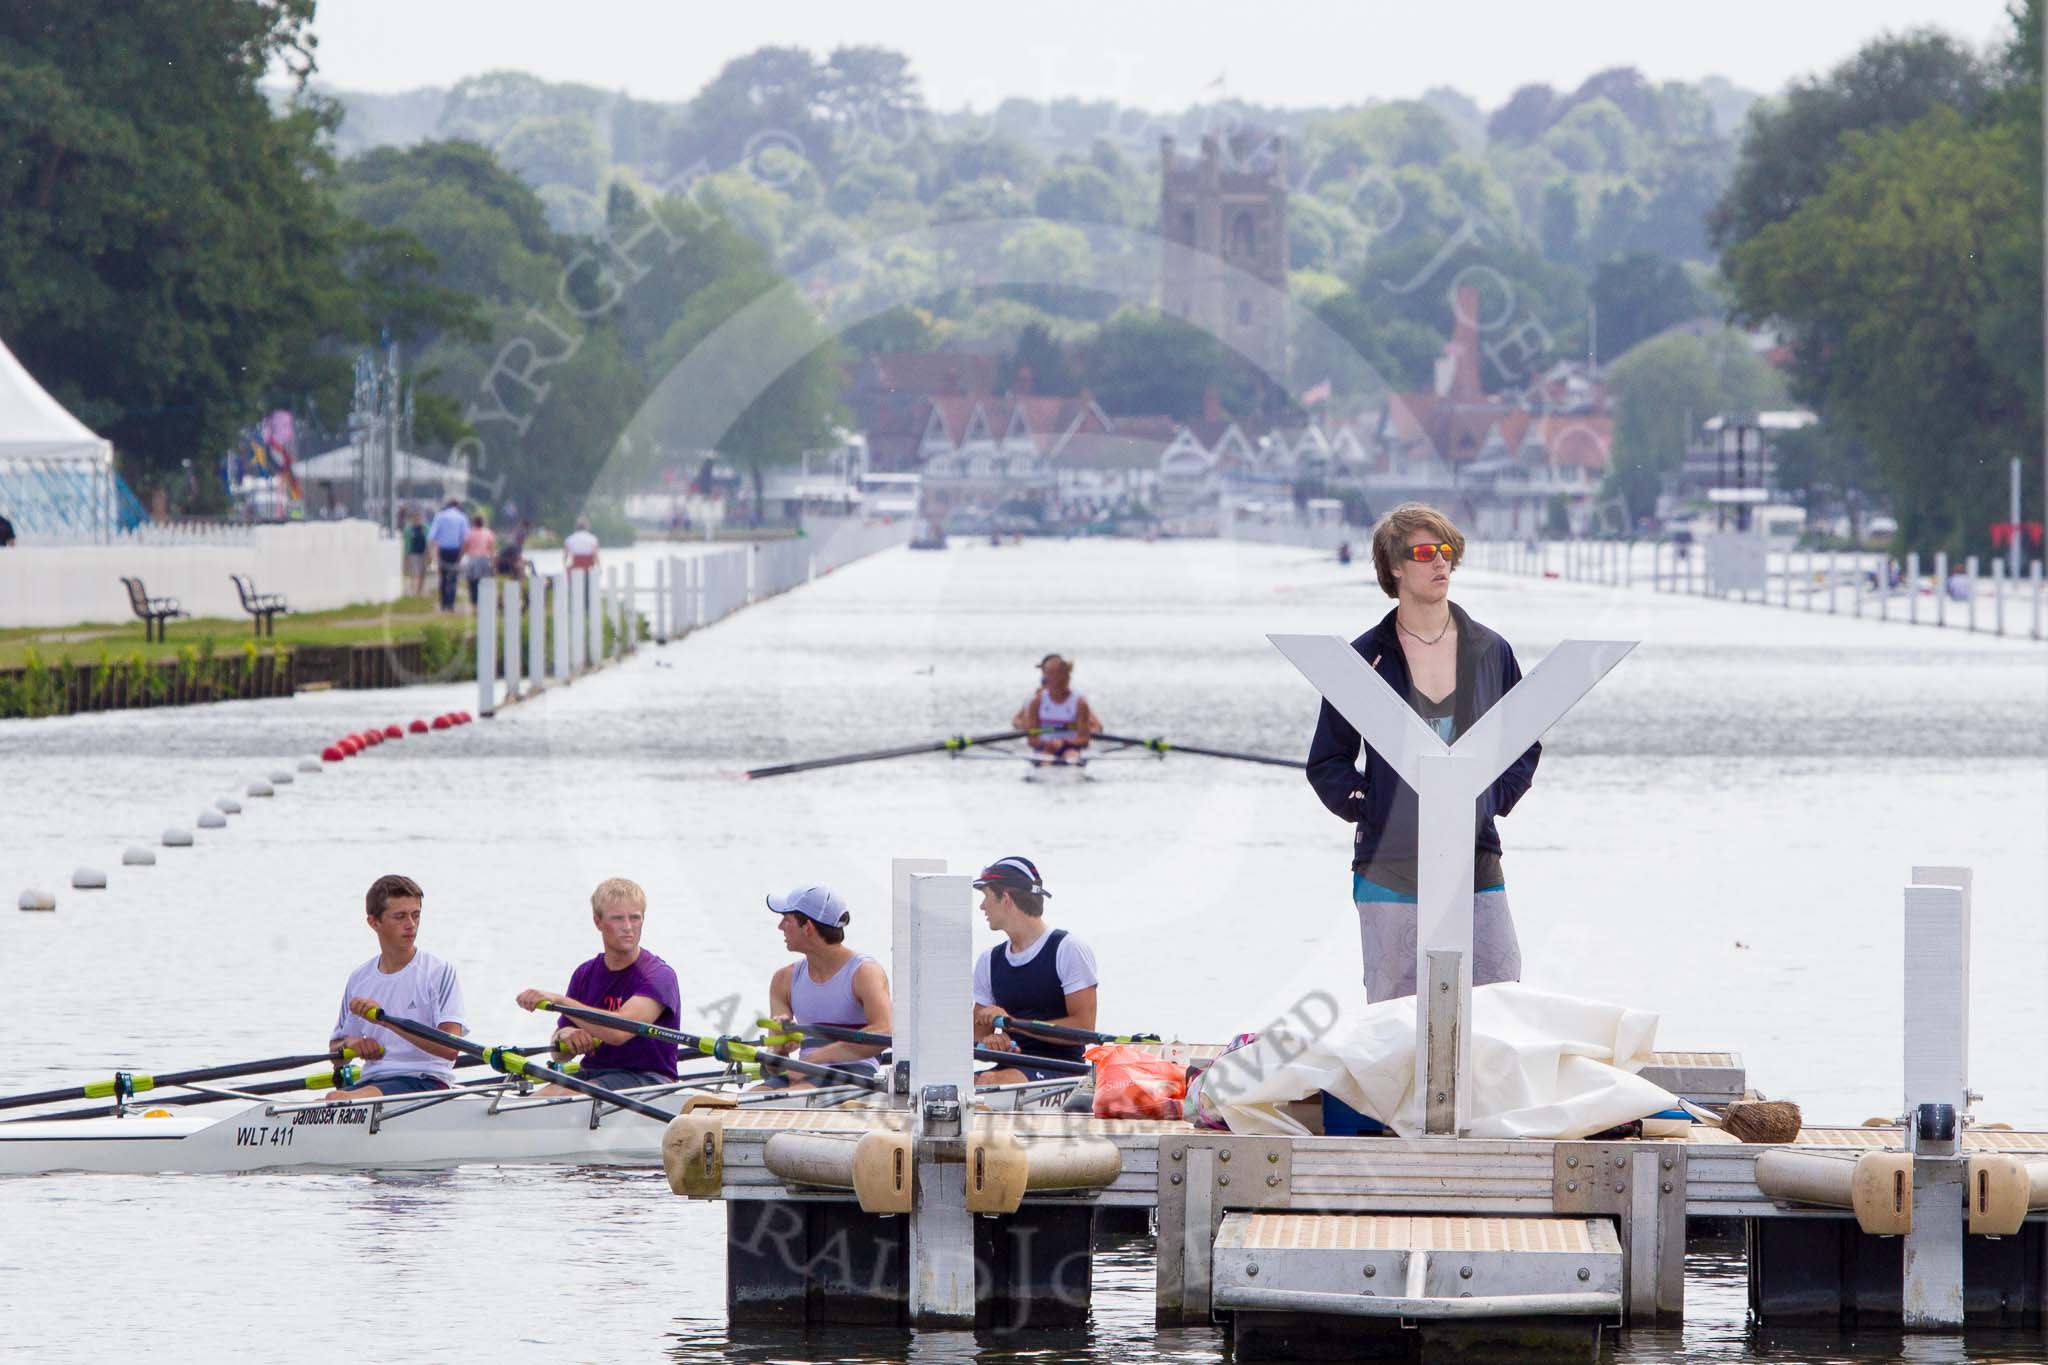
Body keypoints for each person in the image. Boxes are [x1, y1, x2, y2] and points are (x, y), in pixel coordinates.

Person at [1306, 503, 1539, 1003]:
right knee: (1393, 1009)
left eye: (1447, 552)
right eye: (1425, 552)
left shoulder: (1490, 650)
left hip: (1475, 853)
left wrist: (1492, 797)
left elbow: (1524, 741)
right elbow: (1328, 760)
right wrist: (1371, 806)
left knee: (1500, 995)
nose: (1440, 563)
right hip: (1387, 862)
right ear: (1393, 565)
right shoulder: (1362, 659)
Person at [514, 878, 682, 1093]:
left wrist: (559, 1001)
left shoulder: (659, 976)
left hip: (648, 1080)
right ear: (598, 922)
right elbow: (560, 1056)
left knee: (547, 1102)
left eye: (635, 918)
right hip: (593, 1074)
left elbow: (619, 1032)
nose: (628, 927)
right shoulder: (585, 974)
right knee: (533, 1101)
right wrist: (564, 1035)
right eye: (618, 919)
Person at [327, 874, 468, 1098]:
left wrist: (385, 1020)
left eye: (416, 915)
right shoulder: (359, 978)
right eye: (400, 917)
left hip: (426, 1083)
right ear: (374, 922)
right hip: (372, 1081)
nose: (411, 925)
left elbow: (450, 1048)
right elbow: (336, 1053)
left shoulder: (438, 972)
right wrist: (352, 1044)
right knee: (316, 1105)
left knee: (338, 1100)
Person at [969, 856, 1098, 1085]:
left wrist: (1012, 1024)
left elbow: (1083, 1027)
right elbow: (976, 1035)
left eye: (986, 896)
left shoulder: (1068, 949)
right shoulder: (989, 961)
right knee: (951, 1085)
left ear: (1006, 899)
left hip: (1062, 1070)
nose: (982, 906)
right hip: (1010, 1067)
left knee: (987, 1083)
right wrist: (992, 1039)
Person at [762, 885, 891, 1090]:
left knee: (784, 1099)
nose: (780, 926)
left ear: (808, 928)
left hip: (854, 1074)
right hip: (804, 1074)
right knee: (732, 1106)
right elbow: (773, 1068)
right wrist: (779, 1051)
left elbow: (884, 1032)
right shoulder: (783, 980)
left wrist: (815, 1058)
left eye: (787, 919)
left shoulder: (864, 973)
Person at [1013, 654, 1102, 762]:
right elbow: (1017, 723)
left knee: (1071, 757)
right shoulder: (1035, 699)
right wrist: (1038, 728)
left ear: (1064, 675)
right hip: (1044, 747)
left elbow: (1097, 728)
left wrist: (1072, 729)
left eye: (1054, 673)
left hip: (1070, 748)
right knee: (1046, 758)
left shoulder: (1078, 701)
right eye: (1046, 673)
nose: (1047, 677)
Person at [427, 499, 468, 612]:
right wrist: (462, 554)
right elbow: (465, 538)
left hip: (443, 550)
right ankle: (451, 604)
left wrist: (432, 554)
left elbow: (431, 537)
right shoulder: (462, 517)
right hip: (456, 550)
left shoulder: (440, 516)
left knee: (443, 577)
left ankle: (443, 603)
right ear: (457, 506)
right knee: (453, 578)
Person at [460, 513, 496, 608]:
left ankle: (474, 602)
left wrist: (459, 558)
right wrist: (493, 562)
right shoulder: (488, 533)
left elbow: (464, 547)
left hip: (473, 559)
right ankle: (484, 602)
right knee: (484, 581)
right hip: (485, 559)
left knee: (473, 582)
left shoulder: (469, 533)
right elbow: (492, 549)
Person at [402, 510, 428, 598]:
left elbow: (429, 540)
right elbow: (406, 543)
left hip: (424, 553)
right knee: (415, 573)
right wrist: (405, 555)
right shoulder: (408, 529)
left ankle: (419, 591)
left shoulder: (425, 528)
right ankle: (414, 591)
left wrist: (430, 553)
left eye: (419, 517)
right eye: (415, 517)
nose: (417, 519)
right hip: (413, 554)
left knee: (422, 573)